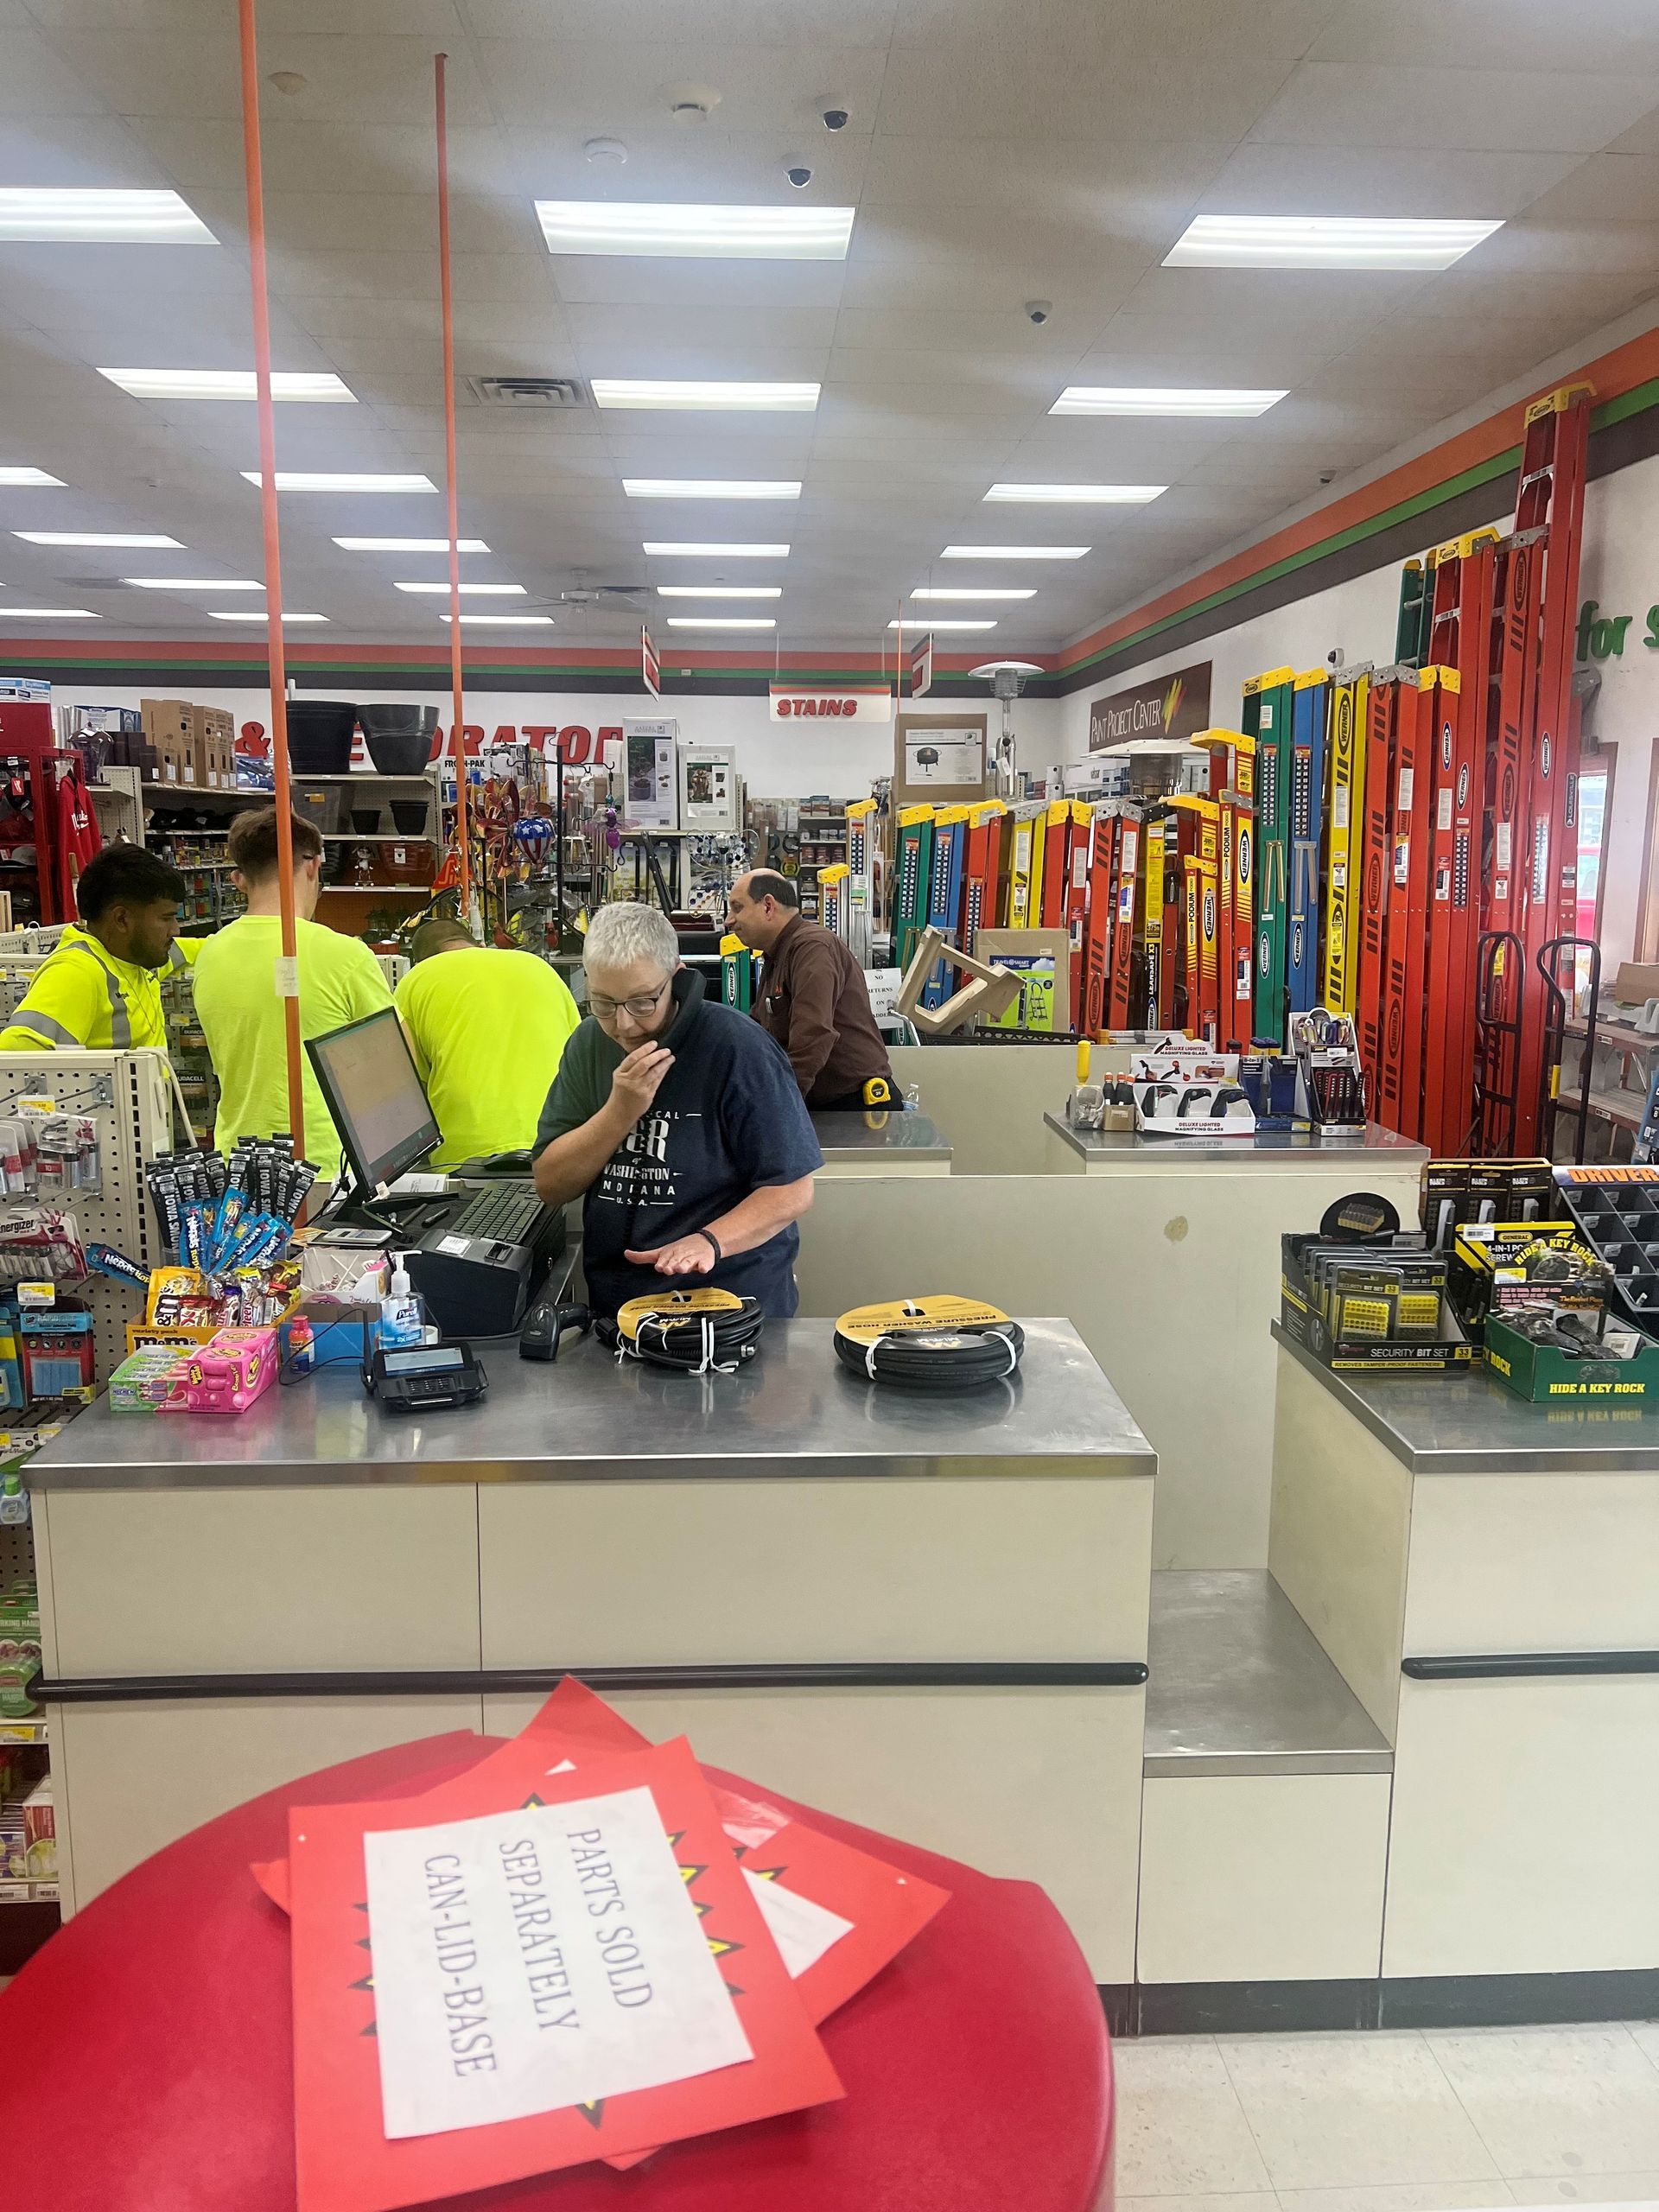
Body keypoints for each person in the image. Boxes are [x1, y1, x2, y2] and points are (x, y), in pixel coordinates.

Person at [532, 900, 821, 1319]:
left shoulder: (737, 1047)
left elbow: (792, 1190)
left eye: (643, 1002)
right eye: (603, 1004)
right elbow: (551, 1186)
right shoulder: (588, 1045)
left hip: (729, 1299)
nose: (625, 1025)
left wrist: (707, 1241)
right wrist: (619, 1111)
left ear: (678, 979)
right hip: (622, 1303)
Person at [191, 808, 392, 1183]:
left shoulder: (210, 955)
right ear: (315, 866)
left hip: (239, 1164)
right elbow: (394, 1066)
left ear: (239, 879)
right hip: (325, 1168)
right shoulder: (343, 955)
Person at [394, 917, 582, 1167]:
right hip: (559, 1143)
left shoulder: (416, 980)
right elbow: (579, 1055)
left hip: (468, 1155)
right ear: (480, 945)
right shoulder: (538, 967)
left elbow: (408, 1082)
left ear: (420, 961)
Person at [725, 868, 898, 1109]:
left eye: (737, 907)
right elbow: (759, 1032)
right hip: (823, 1103)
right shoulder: (777, 954)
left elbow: (813, 1035)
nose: (729, 920)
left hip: (853, 1109)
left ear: (767, 906)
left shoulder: (812, 947)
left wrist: (776, 1107)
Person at [0, 843, 199, 1053]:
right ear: (122, 919)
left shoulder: (137, 956)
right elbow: (14, 1060)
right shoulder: (76, 973)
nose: (175, 930)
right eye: (166, 918)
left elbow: (209, 947)